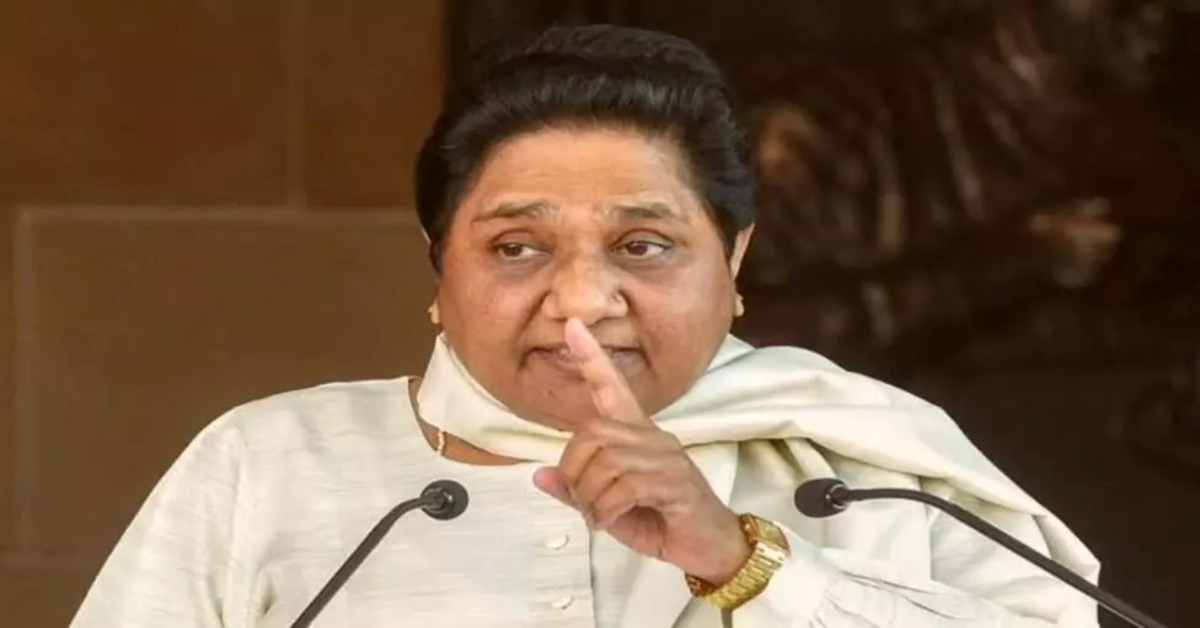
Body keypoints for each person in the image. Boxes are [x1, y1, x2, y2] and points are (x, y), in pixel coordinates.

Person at [72, 24, 1099, 627]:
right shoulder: (271, 462)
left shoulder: (875, 463)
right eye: (517, 248)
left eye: (643, 245)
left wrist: (741, 557)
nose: (581, 302)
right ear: (438, 268)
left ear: (735, 261)